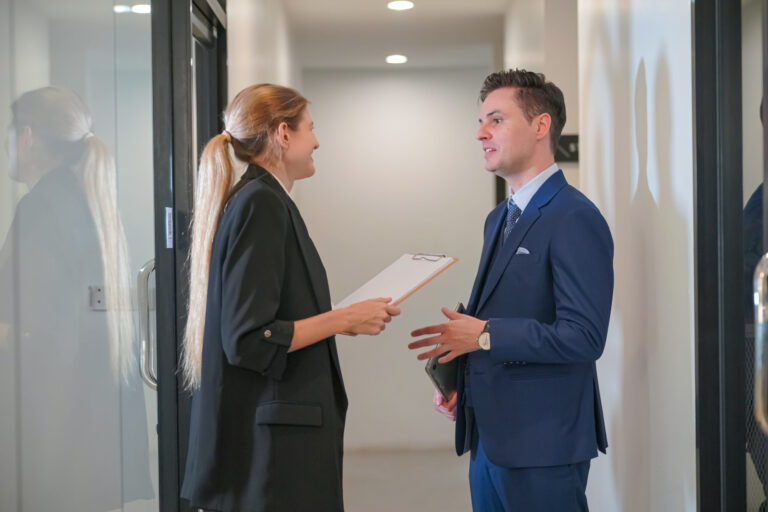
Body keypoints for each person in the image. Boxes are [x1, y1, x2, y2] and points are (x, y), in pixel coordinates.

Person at [180, 84, 400, 512]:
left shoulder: (262, 200)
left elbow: (268, 319)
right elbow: (250, 338)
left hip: (277, 443)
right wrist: (341, 319)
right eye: (310, 129)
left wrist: (346, 320)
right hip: (274, 452)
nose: (316, 141)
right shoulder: (260, 204)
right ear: (283, 134)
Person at [409, 69, 614, 511]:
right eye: (481, 121)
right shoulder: (498, 218)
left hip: (543, 446)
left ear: (541, 126)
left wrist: (483, 334)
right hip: (489, 439)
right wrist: (461, 380)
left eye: (496, 120)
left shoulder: (574, 217)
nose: (481, 132)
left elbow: (584, 337)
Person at [0, 87, 153, 510]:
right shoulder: (89, 204)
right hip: (92, 431)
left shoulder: (42, 209)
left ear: (27, 137)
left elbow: (40, 329)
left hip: (57, 435)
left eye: (11, 132)